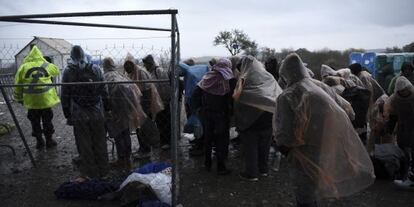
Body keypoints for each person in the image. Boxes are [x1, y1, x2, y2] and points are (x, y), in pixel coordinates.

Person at [275, 53, 374, 207]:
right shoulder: (319, 87)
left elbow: (285, 134)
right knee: (317, 188)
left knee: (304, 193)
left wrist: (285, 148)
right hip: (325, 145)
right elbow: (347, 110)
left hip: (302, 151)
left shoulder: (287, 96)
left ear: (284, 74)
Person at [61, 45, 109, 180]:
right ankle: (104, 171)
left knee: (84, 144)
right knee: (100, 141)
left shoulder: (68, 72)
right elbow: (104, 91)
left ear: (71, 57)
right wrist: (108, 108)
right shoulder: (96, 69)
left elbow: (64, 95)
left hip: (79, 112)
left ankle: (90, 173)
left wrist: (67, 114)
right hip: (97, 111)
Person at [233, 56, 283, 181]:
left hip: (249, 120)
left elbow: (238, 98)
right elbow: (278, 94)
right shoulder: (269, 77)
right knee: (265, 145)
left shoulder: (243, 80)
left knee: (251, 147)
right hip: (268, 116)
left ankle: (251, 173)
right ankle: (263, 169)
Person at [191, 58, 235, 175]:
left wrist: (198, 109)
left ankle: (207, 163)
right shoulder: (229, 79)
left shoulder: (207, 77)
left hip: (206, 113)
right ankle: (221, 167)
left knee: (208, 138)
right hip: (221, 114)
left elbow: (195, 94)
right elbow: (233, 97)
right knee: (221, 139)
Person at [103, 57, 146, 170]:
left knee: (118, 135)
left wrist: (108, 110)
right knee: (125, 132)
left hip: (114, 109)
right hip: (126, 109)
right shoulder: (121, 75)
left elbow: (104, 95)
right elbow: (134, 91)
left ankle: (122, 159)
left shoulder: (105, 77)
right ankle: (127, 156)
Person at [13, 45, 60, 149]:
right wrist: (46, 63)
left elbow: (17, 84)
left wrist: (19, 98)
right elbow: (56, 71)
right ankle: (49, 140)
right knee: (47, 120)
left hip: (32, 102)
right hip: (45, 101)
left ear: (28, 56)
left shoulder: (23, 67)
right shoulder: (45, 65)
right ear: (40, 55)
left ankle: (39, 142)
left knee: (35, 122)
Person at [124, 53, 163, 159]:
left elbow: (148, 91)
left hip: (146, 103)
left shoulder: (141, 72)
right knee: (139, 127)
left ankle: (146, 150)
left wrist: (144, 109)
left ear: (133, 64)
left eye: (129, 64)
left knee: (144, 127)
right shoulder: (130, 74)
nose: (127, 67)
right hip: (138, 104)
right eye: (125, 65)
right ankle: (143, 148)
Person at [384, 76, 414, 187]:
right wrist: (389, 128)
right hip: (403, 126)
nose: (403, 92)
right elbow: (392, 115)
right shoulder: (394, 99)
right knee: (403, 151)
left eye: (405, 90)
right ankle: (403, 174)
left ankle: (411, 177)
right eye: (401, 91)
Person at [142, 54, 172, 150]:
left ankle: (167, 142)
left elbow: (165, 86)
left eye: (146, 64)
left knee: (165, 122)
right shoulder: (149, 72)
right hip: (156, 102)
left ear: (150, 63)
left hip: (163, 101)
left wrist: (165, 100)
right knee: (159, 122)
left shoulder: (158, 71)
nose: (145, 66)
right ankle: (163, 141)